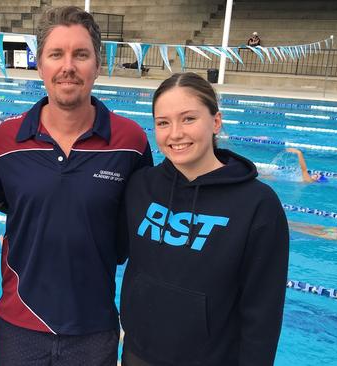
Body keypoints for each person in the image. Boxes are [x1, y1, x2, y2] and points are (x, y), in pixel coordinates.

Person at [0, 6, 153, 365]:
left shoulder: (131, 142)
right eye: (56, 54)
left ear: (97, 63)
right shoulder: (6, 139)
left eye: (80, 54)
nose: (68, 66)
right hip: (19, 326)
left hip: (94, 329)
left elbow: (142, 236)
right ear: (40, 63)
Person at [120, 72, 289, 365]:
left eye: (188, 119)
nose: (175, 133)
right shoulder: (140, 186)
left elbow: (262, 314)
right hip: (139, 354)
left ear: (216, 121)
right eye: (163, 122)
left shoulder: (258, 205)